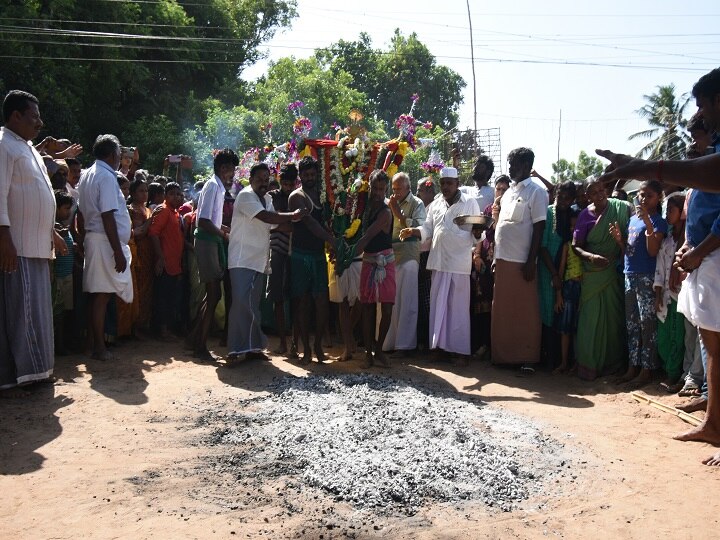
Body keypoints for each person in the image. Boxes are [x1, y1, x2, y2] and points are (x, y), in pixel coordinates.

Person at [0, 90, 62, 395]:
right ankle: (30, 373)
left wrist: (51, 231)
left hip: (36, 244)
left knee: (33, 310)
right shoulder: (3, 145)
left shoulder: (26, 148)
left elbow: (37, 196)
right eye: (34, 116)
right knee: (23, 311)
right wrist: (4, 237)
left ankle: (31, 371)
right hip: (18, 246)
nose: (40, 123)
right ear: (16, 116)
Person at [226, 163, 304, 362]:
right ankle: (235, 349)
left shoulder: (267, 198)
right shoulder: (245, 196)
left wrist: (306, 229)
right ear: (251, 180)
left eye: (265, 179)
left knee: (253, 305)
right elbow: (267, 217)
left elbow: (276, 225)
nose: (262, 182)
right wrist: (293, 216)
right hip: (242, 259)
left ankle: (253, 348)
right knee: (241, 304)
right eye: (258, 179)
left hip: (259, 260)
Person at [400, 167, 479, 361]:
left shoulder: (469, 203)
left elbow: (478, 231)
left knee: (457, 309)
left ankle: (459, 352)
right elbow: (427, 228)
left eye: (449, 183)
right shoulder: (435, 205)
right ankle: (438, 349)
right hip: (439, 261)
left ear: (457, 183)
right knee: (438, 307)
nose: (445, 187)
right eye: (443, 183)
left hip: (459, 263)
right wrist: (413, 231)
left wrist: (478, 234)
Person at [491, 147, 549, 368]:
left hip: (522, 262)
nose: (510, 168)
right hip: (503, 259)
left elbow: (539, 228)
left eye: (514, 164)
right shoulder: (508, 193)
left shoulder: (536, 192)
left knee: (524, 312)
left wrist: (530, 261)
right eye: (509, 163)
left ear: (526, 166)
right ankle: (502, 357)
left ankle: (526, 358)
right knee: (503, 311)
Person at [77, 134, 132, 362]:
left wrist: (83, 240)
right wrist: (117, 251)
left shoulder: (88, 174)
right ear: (112, 155)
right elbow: (107, 214)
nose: (121, 160)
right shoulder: (107, 177)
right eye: (120, 155)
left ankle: (92, 344)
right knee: (102, 296)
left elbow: (80, 213)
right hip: (104, 242)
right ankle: (99, 347)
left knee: (98, 295)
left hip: (95, 239)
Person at [571, 178, 631, 380]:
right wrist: (591, 257)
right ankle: (588, 365)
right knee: (590, 318)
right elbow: (576, 245)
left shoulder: (621, 208)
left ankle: (612, 365)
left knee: (614, 319)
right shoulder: (584, 215)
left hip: (614, 270)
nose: (600, 194)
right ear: (588, 196)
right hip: (593, 272)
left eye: (601, 189)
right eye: (594, 192)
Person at [613, 180, 667, 387]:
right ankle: (632, 367)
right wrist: (620, 241)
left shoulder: (658, 221)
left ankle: (647, 369)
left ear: (658, 198)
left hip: (647, 277)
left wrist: (649, 222)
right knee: (632, 324)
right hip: (630, 275)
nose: (643, 199)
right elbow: (629, 250)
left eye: (649, 196)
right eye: (641, 195)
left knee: (647, 324)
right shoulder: (633, 219)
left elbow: (653, 251)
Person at [186, 148, 238, 362]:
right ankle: (200, 346)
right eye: (230, 170)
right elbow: (204, 221)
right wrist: (223, 234)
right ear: (222, 168)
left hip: (212, 240)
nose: (232, 174)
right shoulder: (212, 186)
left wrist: (225, 229)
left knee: (213, 294)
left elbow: (213, 221)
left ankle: (196, 338)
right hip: (207, 242)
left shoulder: (218, 187)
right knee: (214, 293)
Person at [287, 156, 336, 365]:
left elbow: (329, 221)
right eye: (306, 175)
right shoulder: (296, 197)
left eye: (313, 174)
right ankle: (306, 348)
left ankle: (317, 346)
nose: (309, 178)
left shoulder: (324, 196)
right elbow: (310, 224)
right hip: (299, 255)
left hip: (317, 255)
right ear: (300, 176)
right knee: (302, 303)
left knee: (322, 302)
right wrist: (333, 241)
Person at [352, 170, 395, 368]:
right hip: (368, 260)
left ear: (386, 189)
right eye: (374, 189)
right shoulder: (363, 208)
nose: (377, 193)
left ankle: (379, 349)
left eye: (381, 189)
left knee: (387, 308)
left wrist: (347, 256)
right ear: (369, 187)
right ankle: (368, 352)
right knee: (368, 307)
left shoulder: (385, 212)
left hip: (385, 261)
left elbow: (368, 235)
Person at [383, 172, 426, 355]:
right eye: (393, 189)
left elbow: (418, 228)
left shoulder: (417, 203)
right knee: (391, 301)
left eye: (399, 189)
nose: (396, 192)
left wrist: (397, 213)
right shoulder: (389, 202)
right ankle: (389, 343)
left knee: (407, 300)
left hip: (409, 255)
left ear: (408, 187)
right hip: (391, 255)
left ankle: (405, 346)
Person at [470, 175, 510, 358]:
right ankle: (483, 344)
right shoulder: (487, 210)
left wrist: (498, 217)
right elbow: (480, 234)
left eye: (504, 190)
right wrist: (476, 255)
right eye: (498, 189)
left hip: (502, 261)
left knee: (500, 305)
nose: (500, 193)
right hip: (485, 262)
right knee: (482, 304)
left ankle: (498, 346)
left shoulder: (511, 211)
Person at [538, 181, 577, 370]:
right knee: (547, 313)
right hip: (547, 271)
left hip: (568, 272)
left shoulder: (572, 215)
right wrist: (553, 274)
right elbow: (543, 245)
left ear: (572, 200)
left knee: (563, 315)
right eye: (559, 196)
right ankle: (548, 359)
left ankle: (564, 360)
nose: (562, 201)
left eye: (566, 198)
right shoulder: (548, 212)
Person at [654, 194, 687, 391]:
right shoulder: (667, 241)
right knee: (664, 338)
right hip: (665, 297)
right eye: (666, 210)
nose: (667, 214)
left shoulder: (685, 242)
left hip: (679, 296)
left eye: (671, 210)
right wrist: (657, 294)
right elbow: (659, 268)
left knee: (677, 336)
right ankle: (668, 370)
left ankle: (674, 375)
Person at [267, 164, 297, 355]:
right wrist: (282, 223)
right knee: (277, 297)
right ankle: (283, 343)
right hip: (277, 251)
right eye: (284, 183)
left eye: (290, 183)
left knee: (294, 297)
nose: (287, 186)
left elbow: (292, 226)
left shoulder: (298, 197)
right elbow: (271, 221)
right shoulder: (272, 197)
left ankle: (293, 342)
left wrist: (278, 222)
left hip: (293, 252)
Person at [148, 182, 185, 339]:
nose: (175, 197)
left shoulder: (175, 213)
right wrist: (161, 258)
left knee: (169, 297)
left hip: (174, 263)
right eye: (172, 194)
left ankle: (166, 329)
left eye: (178, 194)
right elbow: (153, 233)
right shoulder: (164, 211)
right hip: (165, 263)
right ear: (165, 195)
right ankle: (163, 331)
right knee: (163, 297)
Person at [53, 190, 76, 355]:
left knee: (65, 313)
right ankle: (58, 346)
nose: (68, 212)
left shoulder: (63, 227)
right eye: (65, 208)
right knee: (58, 314)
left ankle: (64, 344)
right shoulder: (54, 228)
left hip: (67, 275)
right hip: (58, 277)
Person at [415, 178, 436, 352]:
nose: (417, 193)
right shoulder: (420, 207)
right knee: (419, 300)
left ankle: (428, 342)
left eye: (420, 190)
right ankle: (420, 339)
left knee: (427, 301)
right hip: (418, 255)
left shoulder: (435, 208)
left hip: (429, 256)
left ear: (429, 191)